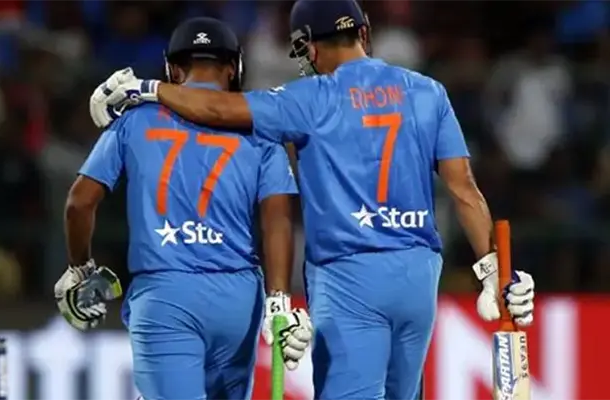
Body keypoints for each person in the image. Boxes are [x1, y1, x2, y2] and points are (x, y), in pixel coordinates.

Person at [89, 2, 537, 400]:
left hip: (349, 277)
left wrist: (145, 90)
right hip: (418, 274)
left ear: (308, 47)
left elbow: (217, 110)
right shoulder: (427, 92)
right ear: (363, 33)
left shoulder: (309, 98)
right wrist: (494, 270)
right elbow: (464, 189)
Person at [54, 17, 313, 400]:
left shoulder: (135, 119)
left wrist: (81, 269)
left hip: (165, 296)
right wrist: (279, 297)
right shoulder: (260, 128)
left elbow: (79, 203)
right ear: (234, 69)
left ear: (173, 69)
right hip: (238, 301)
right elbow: (278, 217)